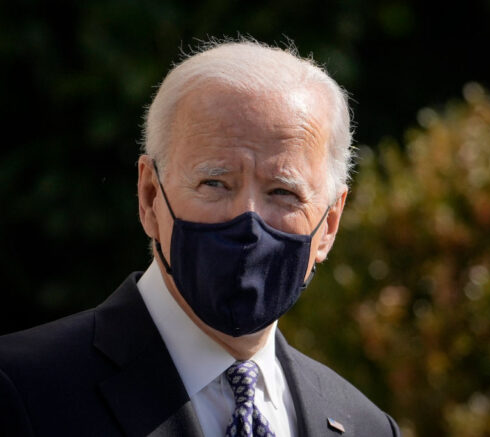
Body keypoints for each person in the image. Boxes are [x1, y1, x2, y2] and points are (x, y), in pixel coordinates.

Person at [0, 39, 399, 437]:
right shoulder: (21, 391)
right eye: (215, 183)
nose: (248, 219)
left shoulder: (368, 427)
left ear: (329, 223)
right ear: (150, 196)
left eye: (283, 192)